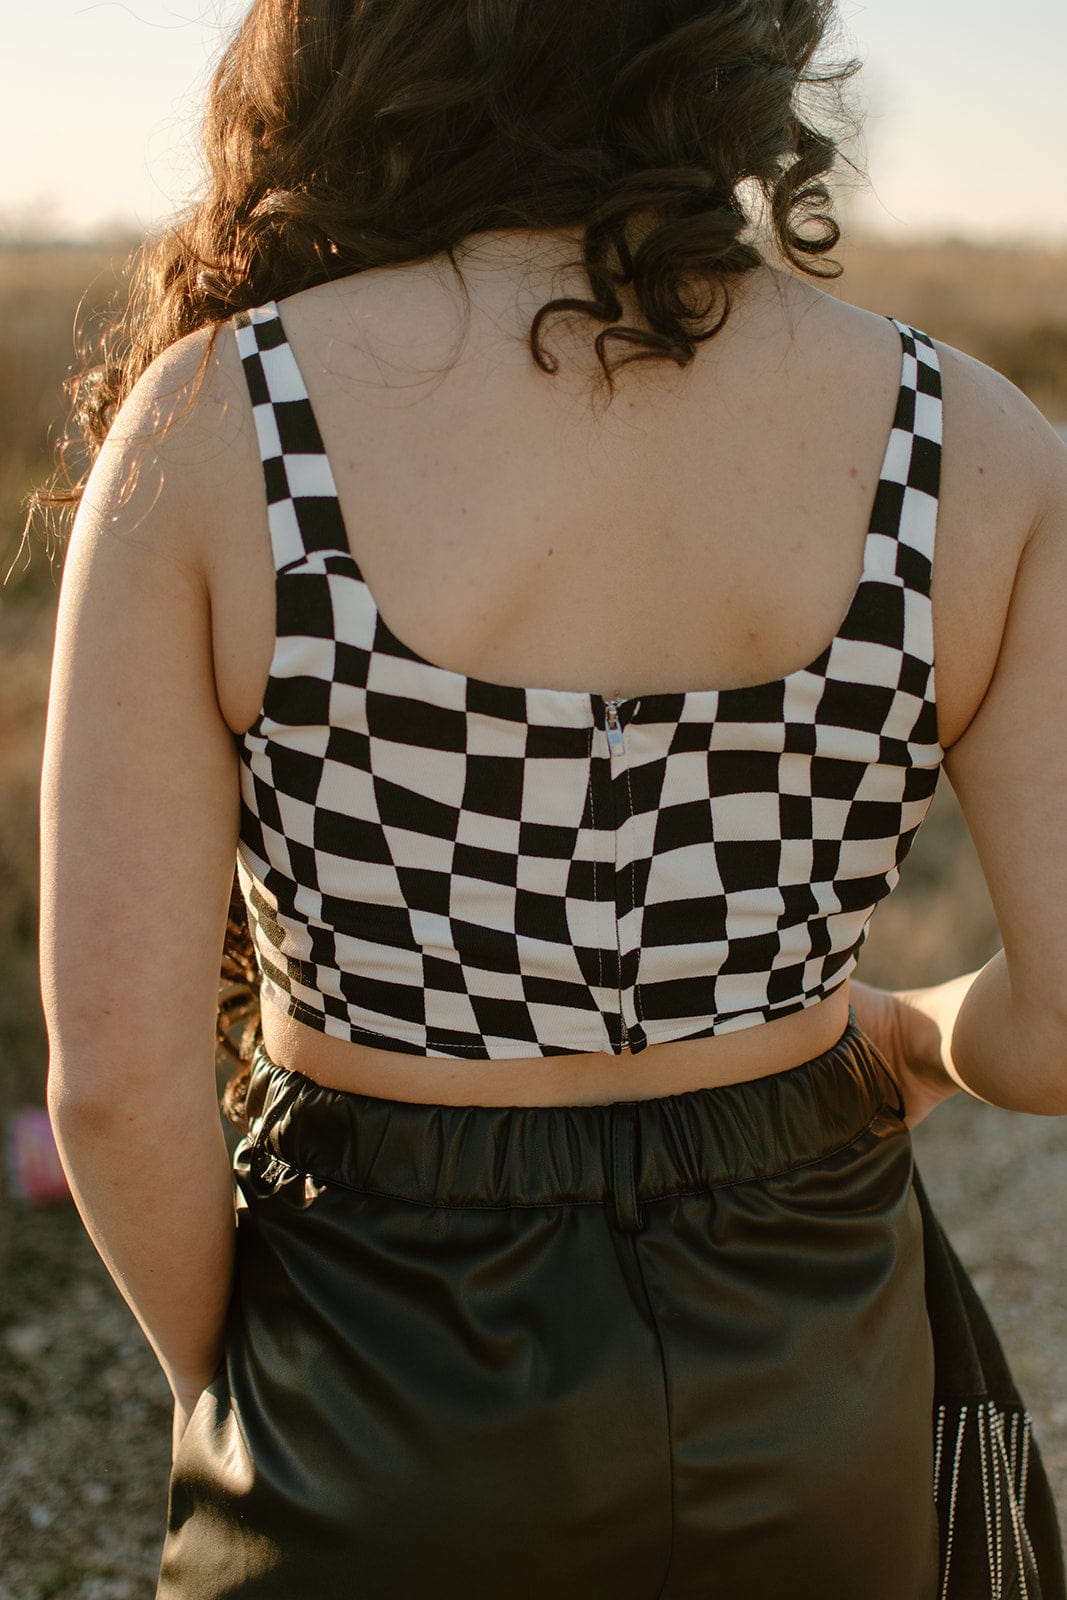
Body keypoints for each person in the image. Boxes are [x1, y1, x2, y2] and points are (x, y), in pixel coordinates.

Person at [35, 1, 1067, 1596]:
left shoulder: (223, 424)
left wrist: (229, 1387)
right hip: (822, 1367)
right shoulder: (976, 444)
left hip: (375, 1359)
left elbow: (115, 1086)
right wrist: (919, 1030)